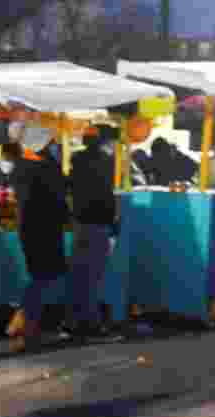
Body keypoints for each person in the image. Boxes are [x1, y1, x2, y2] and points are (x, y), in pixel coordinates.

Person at [6, 130, 70, 353]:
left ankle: (29, 325)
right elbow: (60, 197)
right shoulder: (46, 167)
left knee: (40, 276)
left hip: (29, 229)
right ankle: (30, 330)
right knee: (42, 279)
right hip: (46, 230)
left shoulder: (21, 166)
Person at [63, 124, 124, 344]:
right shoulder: (109, 162)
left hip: (80, 223)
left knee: (79, 275)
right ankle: (91, 326)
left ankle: (72, 322)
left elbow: (69, 187)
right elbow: (115, 193)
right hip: (99, 224)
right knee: (93, 277)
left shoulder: (76, 161)